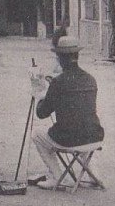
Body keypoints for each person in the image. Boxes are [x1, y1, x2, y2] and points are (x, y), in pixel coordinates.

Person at [31, 36, 104, 190]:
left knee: (37, 135)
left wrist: (40, 92)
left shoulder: (58, 83)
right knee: (84, 125)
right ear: (77, 56)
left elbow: (42, 113)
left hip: (69, 139)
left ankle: (57, 177)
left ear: (60, 58)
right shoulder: (90, 79)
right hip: (94, 135)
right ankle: (94, 175)